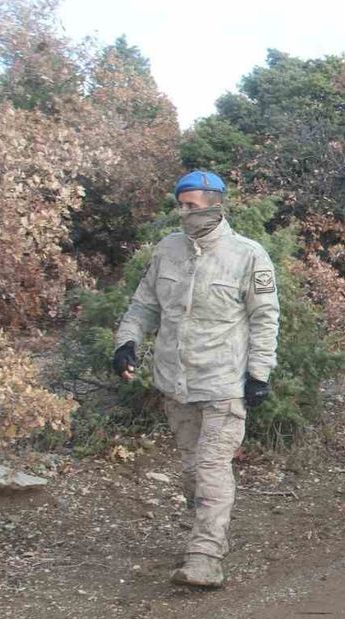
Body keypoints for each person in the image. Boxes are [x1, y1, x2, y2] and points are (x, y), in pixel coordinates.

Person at [113, 170, 280, 588]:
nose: (185, 212)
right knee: (191, 469)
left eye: (193, 205)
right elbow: (143, 305)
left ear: (215, 205)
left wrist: (259, 374)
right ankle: (209, 532)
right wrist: (126, 343)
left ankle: (205, 557)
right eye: (181, 205)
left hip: (224, 383)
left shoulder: (248, 255)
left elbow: (264, 318)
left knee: (210, 467)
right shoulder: (167, 250)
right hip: (176, 383)